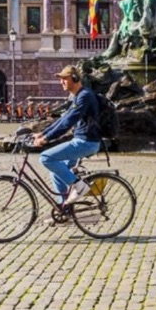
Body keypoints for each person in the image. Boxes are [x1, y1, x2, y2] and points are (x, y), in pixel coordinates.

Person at [33, 66, 101, 220]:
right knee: (57, 172)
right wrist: (43, 133)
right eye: (60, 78)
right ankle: (65, 209)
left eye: (64, 78)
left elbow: (69, 122)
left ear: (75, 79)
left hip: (86, 142)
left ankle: (79, 185)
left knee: (46, 158)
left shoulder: (85, 96)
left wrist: (47, 139)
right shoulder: (78, 96)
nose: (61, 82)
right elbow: (62, 119)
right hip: (82, 140)